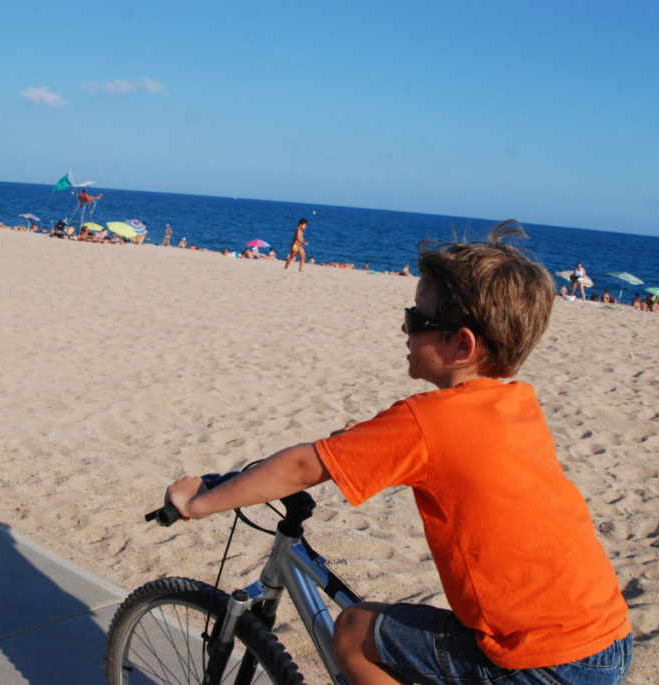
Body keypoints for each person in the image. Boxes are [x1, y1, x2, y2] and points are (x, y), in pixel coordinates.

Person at [165, 221, 632, 684]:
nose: (404, 327)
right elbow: (457, 455)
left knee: (351, 632)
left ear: (461, 343)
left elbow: (304, 467)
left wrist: (199, 501)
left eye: (416, 319)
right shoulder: (517, 403)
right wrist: (365, 439)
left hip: (540, 657)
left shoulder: (425, 421)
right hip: (605, 633)